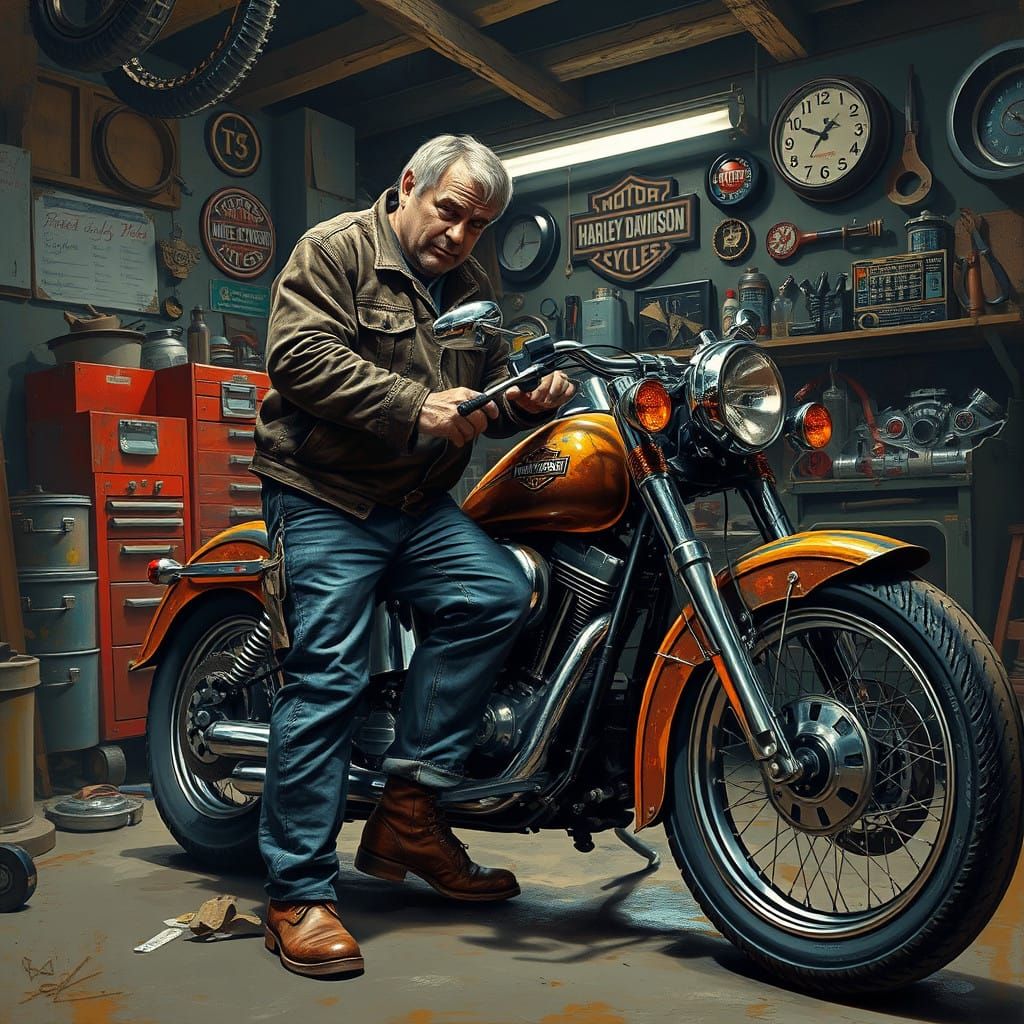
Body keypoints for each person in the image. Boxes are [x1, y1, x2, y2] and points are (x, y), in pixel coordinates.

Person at [250, 134, 575, 978]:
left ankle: (408, 811)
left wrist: (529, 395)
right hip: (325, 496)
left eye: (478, 224)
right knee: (328, 674)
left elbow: (489, 390)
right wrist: (415, 406)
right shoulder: (335, 250)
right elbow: (297, 357)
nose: (462, 235)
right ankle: (297, 893)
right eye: (451, 211)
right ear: (409, 188)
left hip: (416, 506)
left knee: (500, 594)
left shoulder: (470, 287)